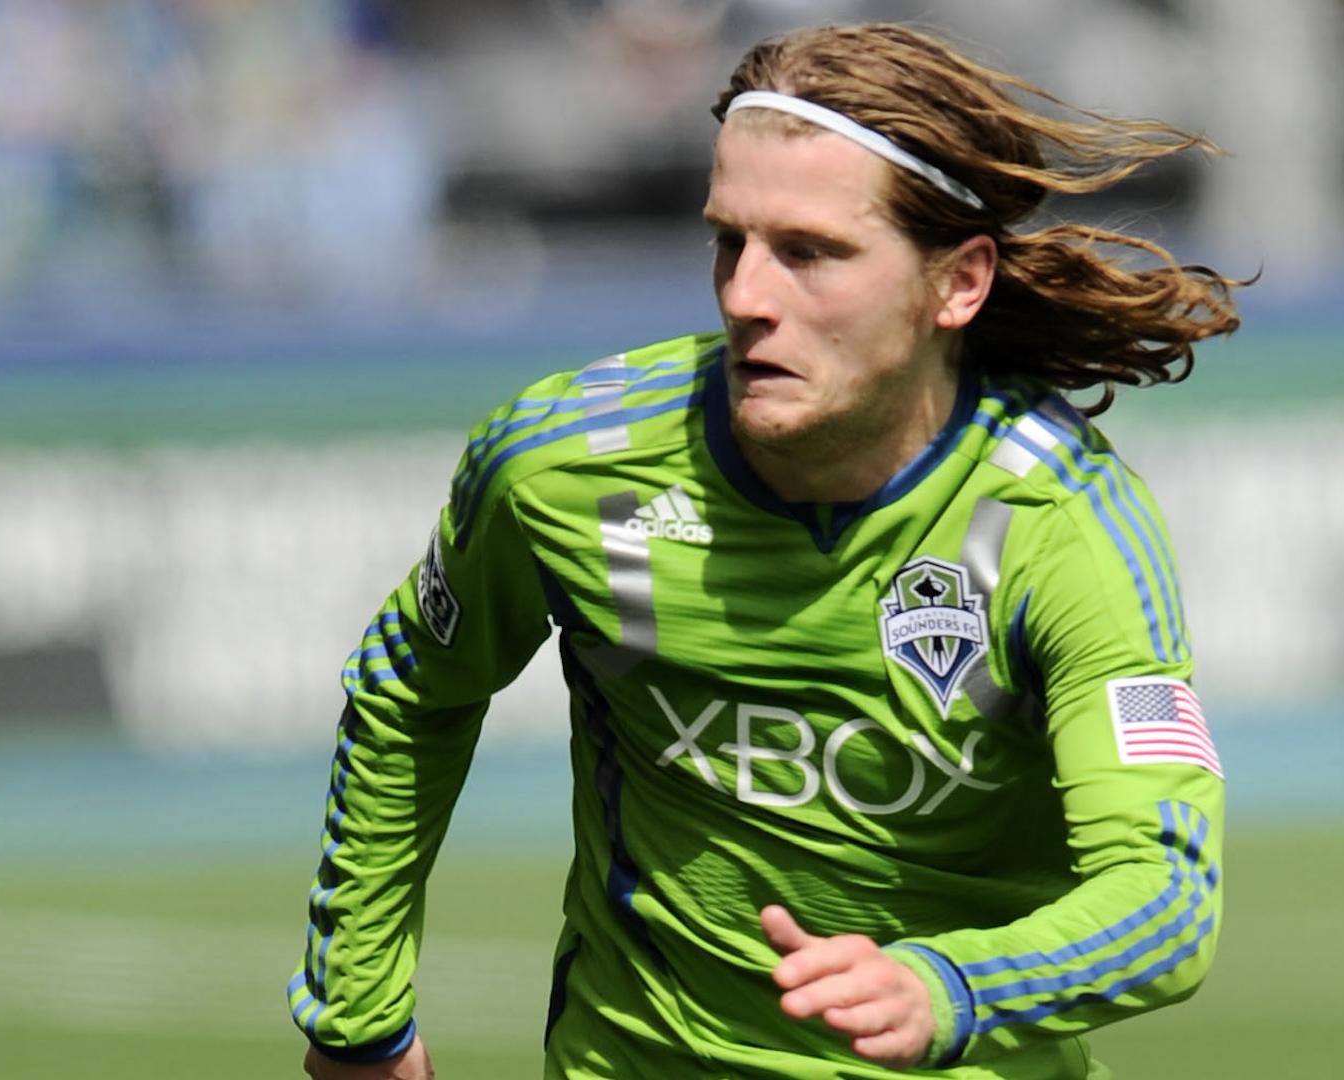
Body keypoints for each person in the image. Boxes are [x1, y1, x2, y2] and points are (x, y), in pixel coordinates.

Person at [289, 21, 1241, 1079]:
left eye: (810, 253)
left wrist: (952, 987)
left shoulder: (1065, 529)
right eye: (728, 242)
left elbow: (1164, 895)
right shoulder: (566, 470)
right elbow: (411, 690)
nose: (747, 295)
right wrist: (355, 1016)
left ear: (958, 284)